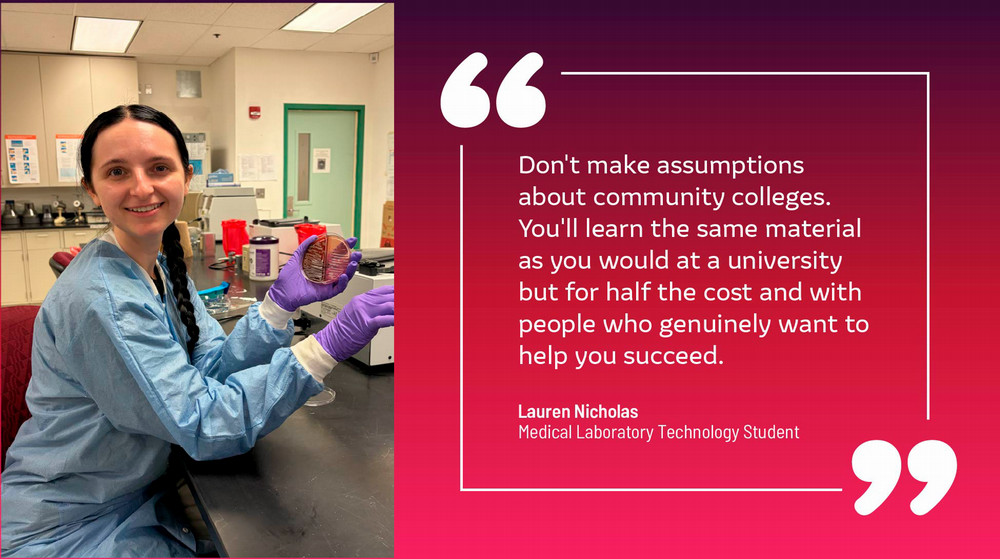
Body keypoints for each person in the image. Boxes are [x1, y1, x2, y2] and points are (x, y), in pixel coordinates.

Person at [0, 105, 394, 557]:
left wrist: (277, 308)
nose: (141, 186)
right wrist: (323, 349)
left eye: (159, 167)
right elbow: (202, 423)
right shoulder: (101, 299)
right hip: (68, 526)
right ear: (91, 189)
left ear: (185, 178)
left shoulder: (161, 267)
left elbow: (210, 368)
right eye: (116, 172)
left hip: (134, 499)